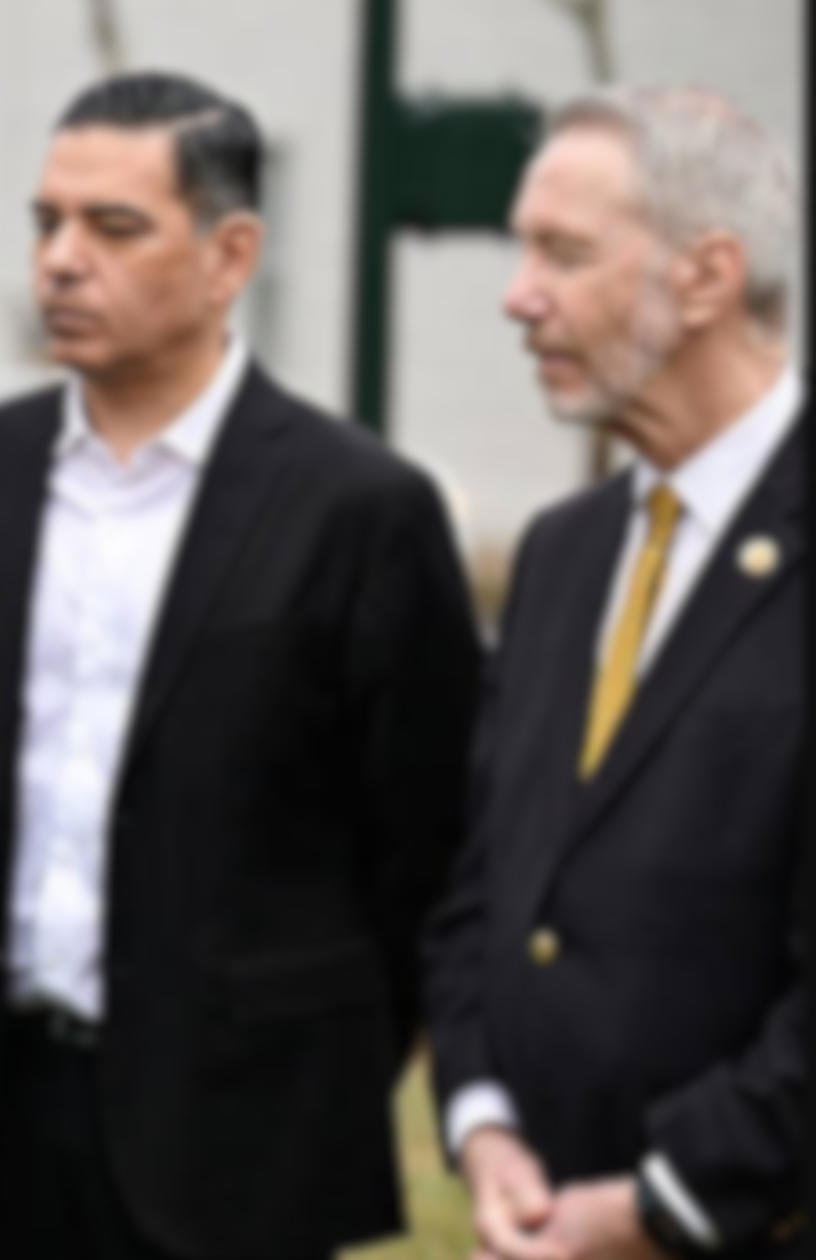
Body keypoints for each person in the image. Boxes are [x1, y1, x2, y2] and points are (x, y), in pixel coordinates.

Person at [0, 72, 483, 1260]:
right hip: (5, 1121)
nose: (61, 260)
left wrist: (317, 1052)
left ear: (230, 255)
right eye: (45, 222)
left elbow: (418, 842)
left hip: (246, 1134)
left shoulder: (358, 508)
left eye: (111, 227)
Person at [425, 85, 805, 1260]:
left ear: (705, 277)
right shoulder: (563, 551)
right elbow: (482, 883)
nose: (514, 294)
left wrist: (661, 1204)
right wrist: (483, 1124)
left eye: (562, 252)